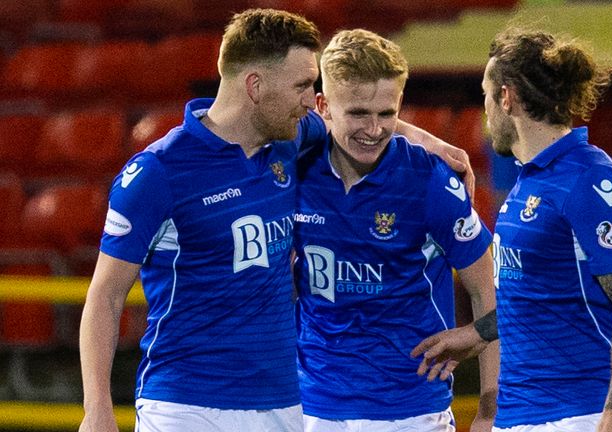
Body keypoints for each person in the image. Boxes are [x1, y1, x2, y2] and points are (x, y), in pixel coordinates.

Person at [79, 9, 475, 432]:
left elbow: (355, 120)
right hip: (187, 404)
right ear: (255, 85)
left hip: (285, 406)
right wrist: (97, 408)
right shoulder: (158, 173)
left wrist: (434, 143)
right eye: (302, 86)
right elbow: (105, 296)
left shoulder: (289, 141)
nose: (310, 100)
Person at [411, 27, 612, 432]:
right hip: (521, 413)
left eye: (487, 96)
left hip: (581, 414)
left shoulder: (590, 181)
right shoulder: (529, 182)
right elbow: (534, 296)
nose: (486, 111)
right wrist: (476, 334)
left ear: (507, 98)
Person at [292, 29, 499, 432]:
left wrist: (490, 412)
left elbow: (486, 288)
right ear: (323, 107)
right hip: (311, 409)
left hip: (412, 412)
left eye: (387, 114)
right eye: (358, 113)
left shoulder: (430, 182)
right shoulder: (294, 169)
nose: (374, 129)